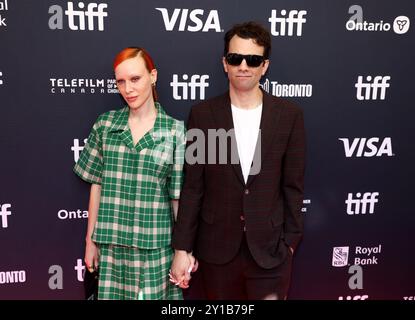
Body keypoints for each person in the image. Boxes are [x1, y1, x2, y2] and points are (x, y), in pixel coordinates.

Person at [170, 21, 306, 300]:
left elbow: (293, 186)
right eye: (235, 58)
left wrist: (289, 244)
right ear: (225, 63)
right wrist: (182, 249)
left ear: (264, 66)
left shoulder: (288, 116)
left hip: (270, 254)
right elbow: (194, 187)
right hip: (217, 252)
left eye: (253, 59)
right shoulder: (204, 115)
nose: (244, 66)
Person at [74, 47, 194, 299]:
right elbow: (96, 185)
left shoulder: (175, 131)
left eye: (135, 79)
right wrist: (90, 242)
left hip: (156, 250)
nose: (127, 89)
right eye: (121, 81)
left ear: (153, 76)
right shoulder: (105, 125)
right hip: (111, 248)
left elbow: (176, 200)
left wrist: (183, 251)